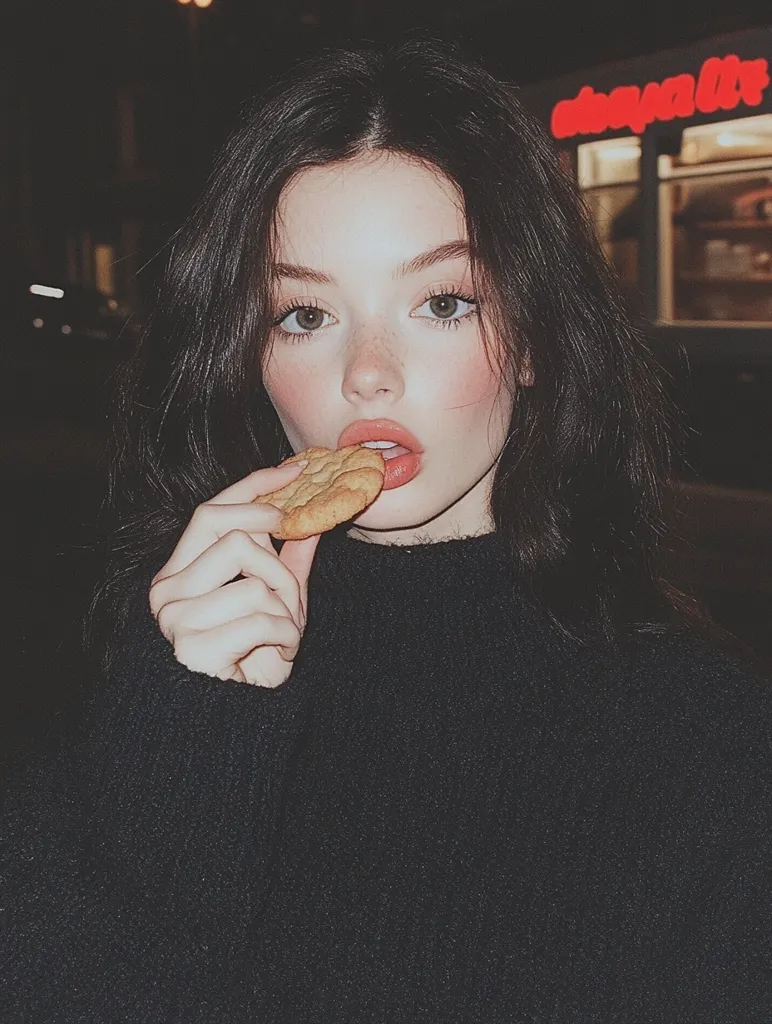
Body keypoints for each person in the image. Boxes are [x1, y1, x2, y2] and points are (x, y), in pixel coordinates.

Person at [2, 37, 771, 1022]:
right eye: (304, 314)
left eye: (441, 302)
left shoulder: (705, 743)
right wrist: (180, 741)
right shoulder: (173, 674)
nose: (368, 373)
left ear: (532, 338)